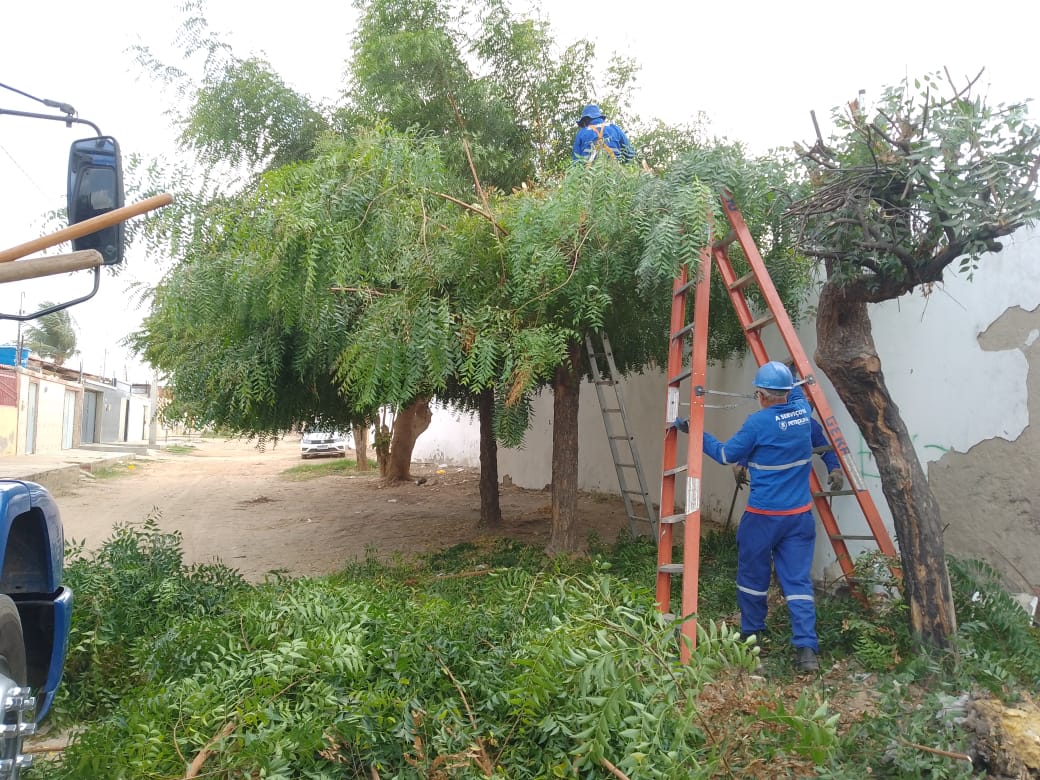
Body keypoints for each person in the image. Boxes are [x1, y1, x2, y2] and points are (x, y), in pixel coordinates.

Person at [675, 361, 822, 672]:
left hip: (764, 517)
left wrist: (696, 431)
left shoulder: (758, 424)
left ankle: (752, 634)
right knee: (797, 582)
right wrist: (791, 377)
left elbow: (727, 454)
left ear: (760, 394)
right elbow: (795, 398)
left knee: (752, 579)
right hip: (799, 517)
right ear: (787, 391)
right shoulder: (803, 417)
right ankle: (807, 649)